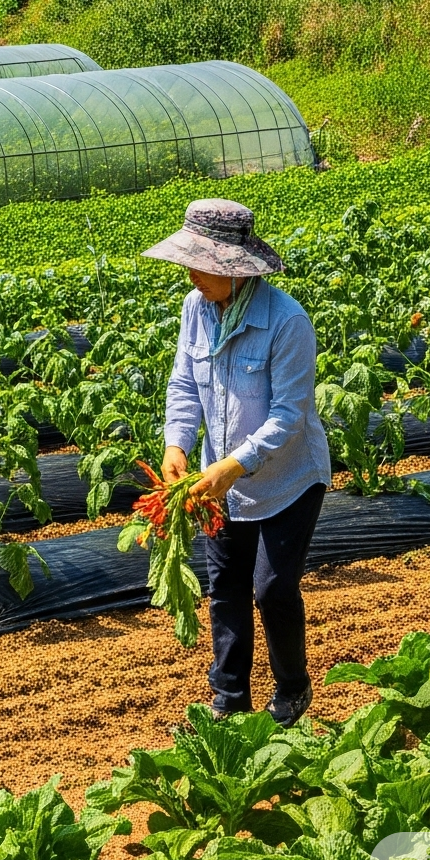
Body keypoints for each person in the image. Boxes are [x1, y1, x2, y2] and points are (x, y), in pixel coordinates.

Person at [151, 197, 332, 724]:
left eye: (203, 265)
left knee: (272, 589)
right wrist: (176, 444)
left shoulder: (286, 322)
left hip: (288, 477)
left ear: (237, 269)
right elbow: (184, 383)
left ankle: (293, 690)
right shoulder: (196, 308)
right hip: (217, 478)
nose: (192, 275)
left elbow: (289, 415)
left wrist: (234, 465)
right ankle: (229, 701)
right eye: (189, 261)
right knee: (225, 589)